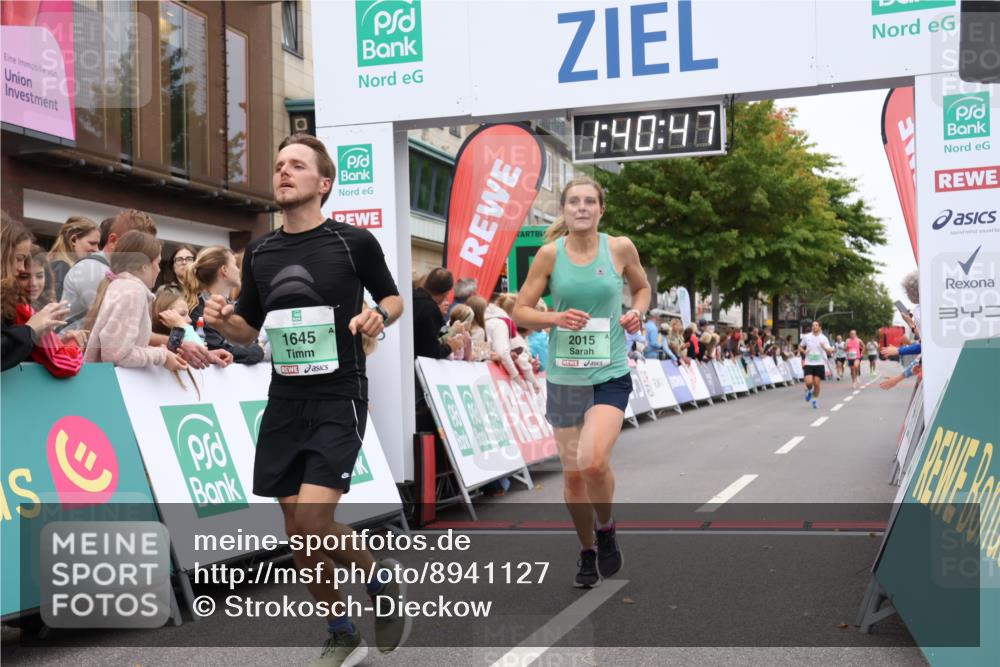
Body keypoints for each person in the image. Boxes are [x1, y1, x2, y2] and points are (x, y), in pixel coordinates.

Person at [203, 133, 406, 666]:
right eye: (278, 165)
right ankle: (341, 630)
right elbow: (249, 330)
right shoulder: (262, 253)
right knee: (298, 538)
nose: (284, 172)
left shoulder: (352, 243)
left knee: (314, 524)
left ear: (324, 182)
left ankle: (380, 579)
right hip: (285, 399)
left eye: (297, 165)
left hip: (340, 395)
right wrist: (226, 324)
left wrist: (377, 315)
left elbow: (392, 297)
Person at [512, 176, 651, 589]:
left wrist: (637, 312)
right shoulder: (549, 255)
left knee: (592, 462)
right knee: (573, 476)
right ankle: (588, 548)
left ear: (601, 210)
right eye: (574, 201)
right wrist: (554, 317)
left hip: (608, 373)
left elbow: (642, 289)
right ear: (565, 210)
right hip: (565, 378)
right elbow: (521, 311)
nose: (582, 208)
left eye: (590, 201)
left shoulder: (620, 247)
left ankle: (606, 528)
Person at [82, 231, 188, 371]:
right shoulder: (133, 291)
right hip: (115, 387)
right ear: (144, 267)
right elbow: (116, 355)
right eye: (157, 263)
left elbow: (120, 347)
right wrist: (162, 355)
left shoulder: (121, 286)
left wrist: (157, 350)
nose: (158, 269)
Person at [61, 209, 158, 331]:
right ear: (113, 241)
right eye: (136, 247)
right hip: (72, 348)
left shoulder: (118, 276)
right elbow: (119, 328)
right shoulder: (93, 270)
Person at [1, 216, 70, 371]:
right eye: (19, 259)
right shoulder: (15, 309)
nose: (20, 268)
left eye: (40, 276)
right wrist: (30, 330)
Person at [183, 246, 264, 365]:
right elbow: (222, 351)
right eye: (235, 265)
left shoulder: (236, 307)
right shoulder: (197, 310)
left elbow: (249, 340)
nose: (238, 270)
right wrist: (258, 351)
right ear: (224, 270)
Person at [46, 216, 100, 300]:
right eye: (92, 243)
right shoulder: (61, 266)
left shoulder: (58, 264)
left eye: (98, 244)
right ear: (74, 240)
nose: (97, 249)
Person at [799, 320, 834, 409]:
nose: (814, 327)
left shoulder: (823, 338)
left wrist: (824, 347)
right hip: (809, 363)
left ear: (819, 327)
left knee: (817, 383)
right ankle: (809, 390)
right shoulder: (807, 337)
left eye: (816, 325)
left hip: (819, 363)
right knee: (809, 382)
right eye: (813, 325)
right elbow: (800, 346)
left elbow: (830, 352)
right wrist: (804, 351)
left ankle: (815, 400)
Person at [465, 294, 491, 362]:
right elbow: (477, 356)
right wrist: (489, 355)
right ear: (481, 312)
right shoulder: (479, 330)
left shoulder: (453, 321)